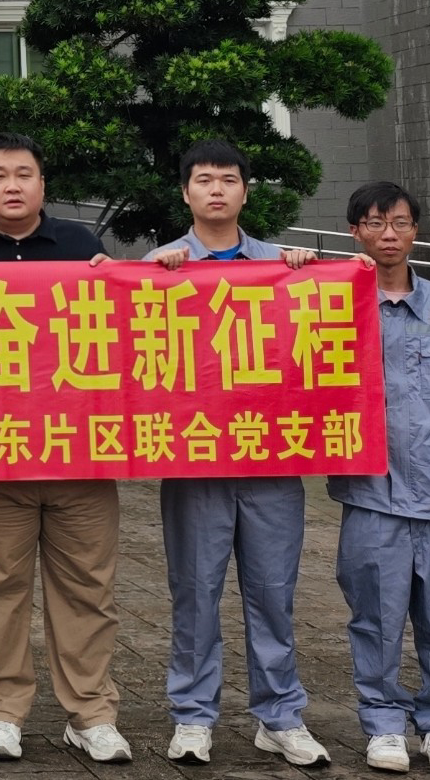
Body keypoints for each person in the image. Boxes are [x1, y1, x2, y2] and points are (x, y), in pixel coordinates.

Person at [0, 133, 130, 765]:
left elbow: (124, 337)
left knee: (88, 590)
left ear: (43, 183)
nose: (12, 185)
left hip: (79, 454)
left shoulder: (81, 248)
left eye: (24, 174)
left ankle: (91, 714)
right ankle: (1, 713)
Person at [145, 139, 328, 767]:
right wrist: (150, 281)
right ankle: (193, 716)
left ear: (246, 192)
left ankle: (280, 716)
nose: (216, 189)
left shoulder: (284, 265)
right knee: (195, 592)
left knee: (273, 592)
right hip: (196, 459)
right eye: (204, 179)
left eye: (228, 179)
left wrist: (310, 271)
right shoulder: (159, 267)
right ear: (186, 193)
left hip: (271, 457)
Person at [332, 182, 430, 774]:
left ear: (415, 231)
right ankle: (382, 724)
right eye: (376, 223)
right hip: (371, 494)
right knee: (375, 620)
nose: (389, 235)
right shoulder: (334, 304)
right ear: (355, 231)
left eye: (401, 223)